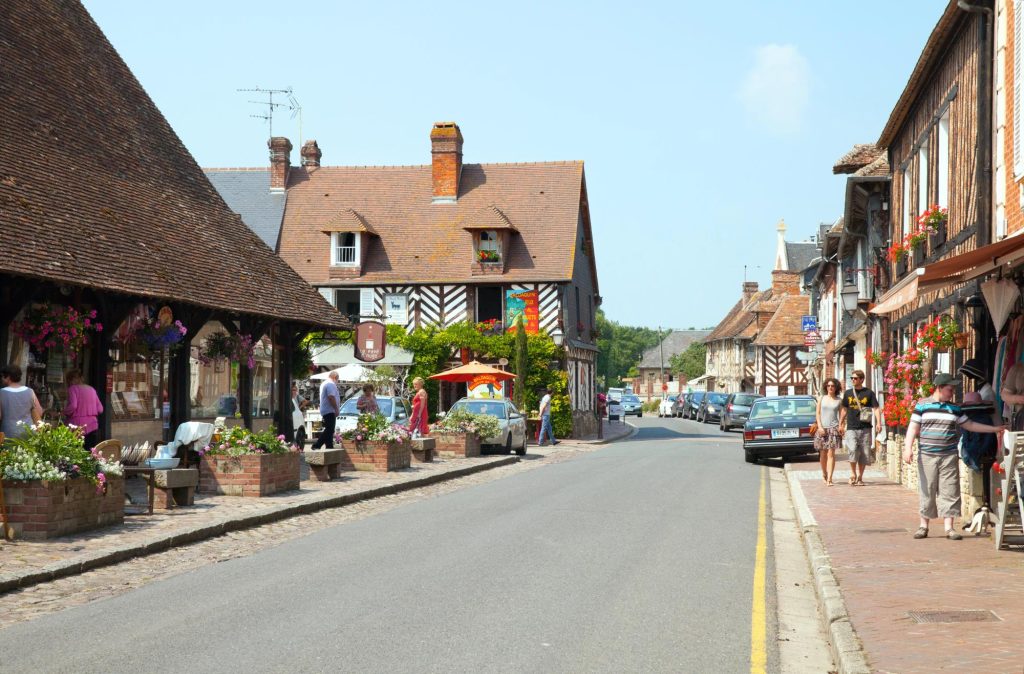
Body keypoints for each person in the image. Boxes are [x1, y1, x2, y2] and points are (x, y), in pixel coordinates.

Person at [903, 374, 1005, 540]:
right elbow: (912, 428)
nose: (952, 393)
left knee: (950, 489)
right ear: (939, 388)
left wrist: (994, 429)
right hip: (927, 455)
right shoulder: (922, 406)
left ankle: (949, 528)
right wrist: (908, 448)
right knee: (927, 488)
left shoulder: (955, 409)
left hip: (948, 455)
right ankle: (923, 526)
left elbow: (970, 425)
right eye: (949, 389)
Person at [838, 369, 879, 486]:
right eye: (852, 378)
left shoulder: (869, 393)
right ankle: (852, 473)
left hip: (865, 427)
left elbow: (876, 408)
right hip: (851, 426)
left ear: (862, 379)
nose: (853, 380)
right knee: (852, 450)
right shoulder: (848, 393)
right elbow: (844, 409)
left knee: (864, 452)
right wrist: (841, 423)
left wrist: (879, 423)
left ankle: (860, 477)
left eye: (855, 378)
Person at [63, 369, 104, 449]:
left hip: (77, 426)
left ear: (72, 379)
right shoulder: (92, 389)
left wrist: (63, 412)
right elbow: (100, 409)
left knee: (75, 453)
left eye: (69, 380)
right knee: (89, 452)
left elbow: (73, 406)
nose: (69, 383)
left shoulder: (73, 389)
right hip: (93, 425)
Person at [0, 364, 43, 439]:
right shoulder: (30, 391)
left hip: (9, 433)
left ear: (8, 377)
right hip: (28, 432)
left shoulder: (1, 392)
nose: (1, 379)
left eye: (3, 376)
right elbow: (39, 412)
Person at [815, 378, 843, 486]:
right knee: (823, 454)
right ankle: (824, 473)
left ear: (836, 388)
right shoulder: (821, 398)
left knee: (831, 453)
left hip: (833, 429)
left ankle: (830, 478)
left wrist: (841, 426)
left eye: (832, 386)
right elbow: (817, 413)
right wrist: (820, 427)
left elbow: (841, 415)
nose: (830, 388)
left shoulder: (839, 400)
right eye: (828, 386)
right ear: (826, 387)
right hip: (822, 428)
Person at [311, 371, 340, 449]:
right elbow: (331, 397)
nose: (337, 382)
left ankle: (329, 446)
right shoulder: (330, 384)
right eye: (337, 379)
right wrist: (336, 409)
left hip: (326, 409)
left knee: (329, 430)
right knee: (330, 429)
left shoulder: (325, 383)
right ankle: (317, 445)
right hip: (329, 410)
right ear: (335, 377)